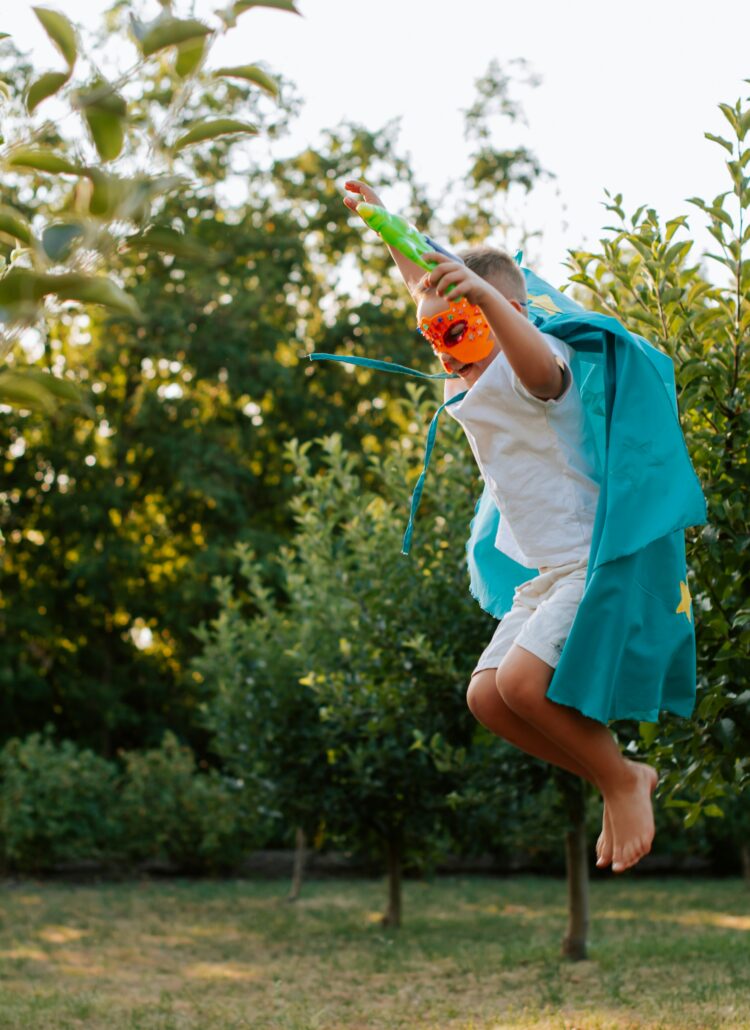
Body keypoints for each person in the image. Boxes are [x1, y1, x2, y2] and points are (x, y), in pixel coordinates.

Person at [343, 178, 659, 874]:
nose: (444, 351)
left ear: (506, 312)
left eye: (458, 329)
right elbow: (426, 280)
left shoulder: (536, 370)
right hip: (547, 574)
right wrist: (384, 225)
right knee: (487, 697)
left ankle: (622, 779)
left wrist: (486, 301)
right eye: (432, 335)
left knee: (522, 685)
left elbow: (537, 365)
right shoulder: (472, 374)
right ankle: (613, 774)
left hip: (590, 563)